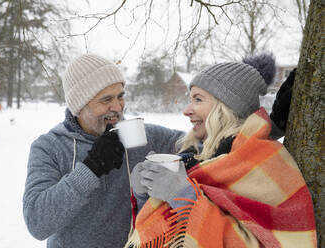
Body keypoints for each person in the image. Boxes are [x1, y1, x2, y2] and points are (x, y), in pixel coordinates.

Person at [127, 54, 316, 248]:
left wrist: (183, 195)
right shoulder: (199, 159)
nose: (186, 110)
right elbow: (164, 231)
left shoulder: (263, 164)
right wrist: (144, 195)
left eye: (198, 99)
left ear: (226, 107)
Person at [22, 54, 185, 248]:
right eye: (106, 99)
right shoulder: (50, 147)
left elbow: (200, 145)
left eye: (120, 96)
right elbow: (37, 223)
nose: (117, 107)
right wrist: (91, 168)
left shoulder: (139, 135)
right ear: (80, 106)